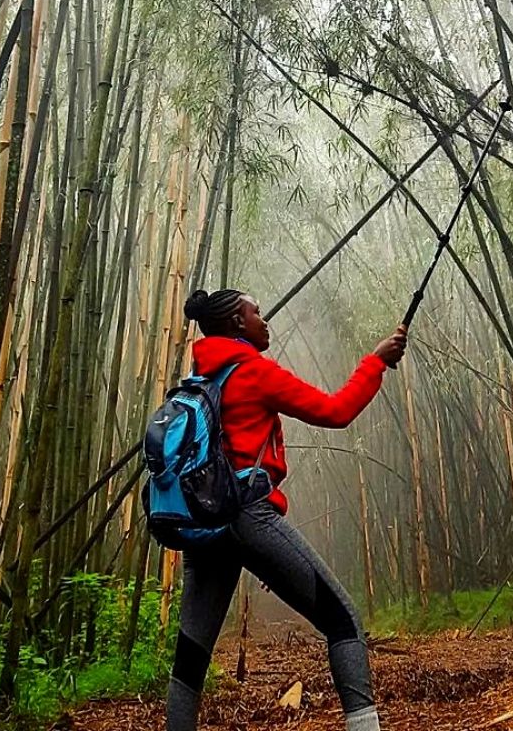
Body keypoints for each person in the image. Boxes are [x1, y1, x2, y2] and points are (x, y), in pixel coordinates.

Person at [166, 286, 407, 731]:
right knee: (342, 620)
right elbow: (336, 411)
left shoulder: (201, 380)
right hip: (248, 517)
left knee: (192, 655)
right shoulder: (253, 371)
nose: (264, 319)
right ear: (238, 323)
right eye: (256, 312)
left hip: (203, 526)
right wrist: (376, 362)